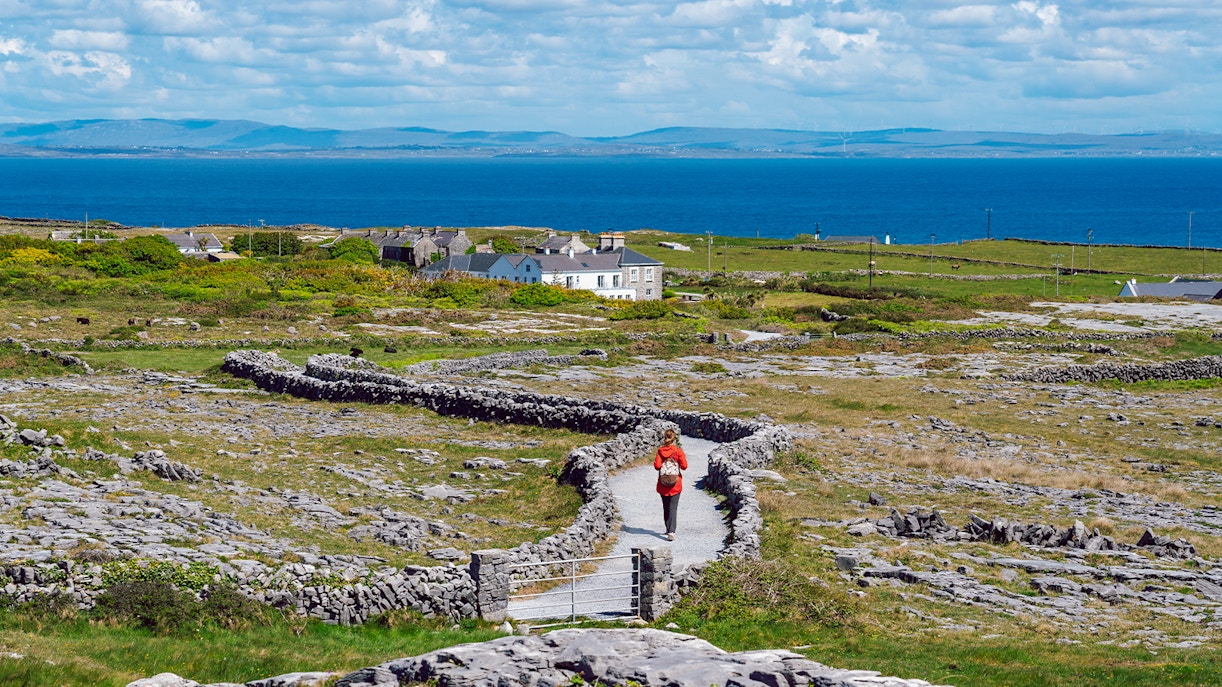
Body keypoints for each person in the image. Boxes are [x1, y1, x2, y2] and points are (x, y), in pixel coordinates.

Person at [654, 428, 689, 541]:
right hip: (675, 484)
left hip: (663, 483)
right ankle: (671, 532)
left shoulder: (660, 451)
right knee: (673, 508)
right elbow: (684, 466)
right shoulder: (678, 451)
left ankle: (668, 528)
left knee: (666, 507)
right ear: (674, 439)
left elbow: (657, 466)